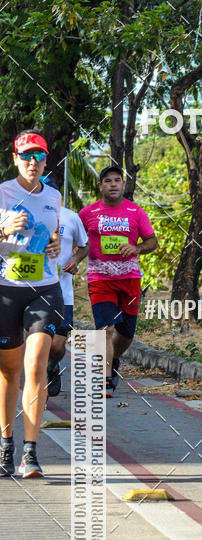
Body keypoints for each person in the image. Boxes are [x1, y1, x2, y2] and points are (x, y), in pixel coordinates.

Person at [0, 130, 61, 478]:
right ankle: (6, 446)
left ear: (45, 161)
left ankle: (31, 453)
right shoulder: (2, 194)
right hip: (6, 290)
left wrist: (54, 246)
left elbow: (53, 236)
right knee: (9, 372)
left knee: (36, 365)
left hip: (44, 288)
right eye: (26, 156)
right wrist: (4, 231)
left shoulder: (54, 196)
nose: (32, 162)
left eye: (38, 156)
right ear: (15, 159)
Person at [79, 165, 158, 397]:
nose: (112, 184)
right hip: (100, 278)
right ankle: (104, 380)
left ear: (123, 185)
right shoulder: (88, 213)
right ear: (100, 186)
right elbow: (78, 241)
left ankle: (112, 360)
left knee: (125, 334)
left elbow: (152, 241)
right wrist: (73, 259)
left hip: (130, 279)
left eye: (117, 180)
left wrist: (136, 247)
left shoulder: (136, 212)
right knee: (105, 327)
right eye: (107, 181)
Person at [44, 180, 89, 396]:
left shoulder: (71, 216)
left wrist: (75, 259)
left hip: (63, 292)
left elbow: (84, 244)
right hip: (33, 291)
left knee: (57, 345)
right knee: (37, 341)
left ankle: (52, 367)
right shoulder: (24, 215)